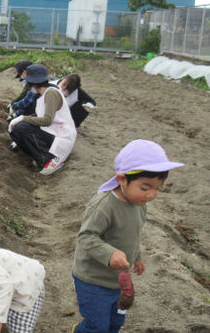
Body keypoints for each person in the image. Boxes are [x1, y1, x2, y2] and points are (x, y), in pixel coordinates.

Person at [71, 139, 184, 333]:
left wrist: (137, 257)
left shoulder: (139, 205)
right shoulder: (104, 206)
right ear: (122, 179)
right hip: (93, 280)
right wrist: (110, 254)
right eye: (145, 187)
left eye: (158, 188)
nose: (151, 195)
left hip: (118, 281)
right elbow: (86, 237)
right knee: (97, 327)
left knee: (115, 324)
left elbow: (131, 235)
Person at [8, 64, 77, 175]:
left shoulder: (51, 93)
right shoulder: (43, 94)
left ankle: (50, 159)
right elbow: (38, 115)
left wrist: (22, 118)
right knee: (17, 130)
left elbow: (47, 120)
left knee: (22, 127)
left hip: (62, 136)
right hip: (52, 132)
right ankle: (39, 157)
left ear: (34, 83)